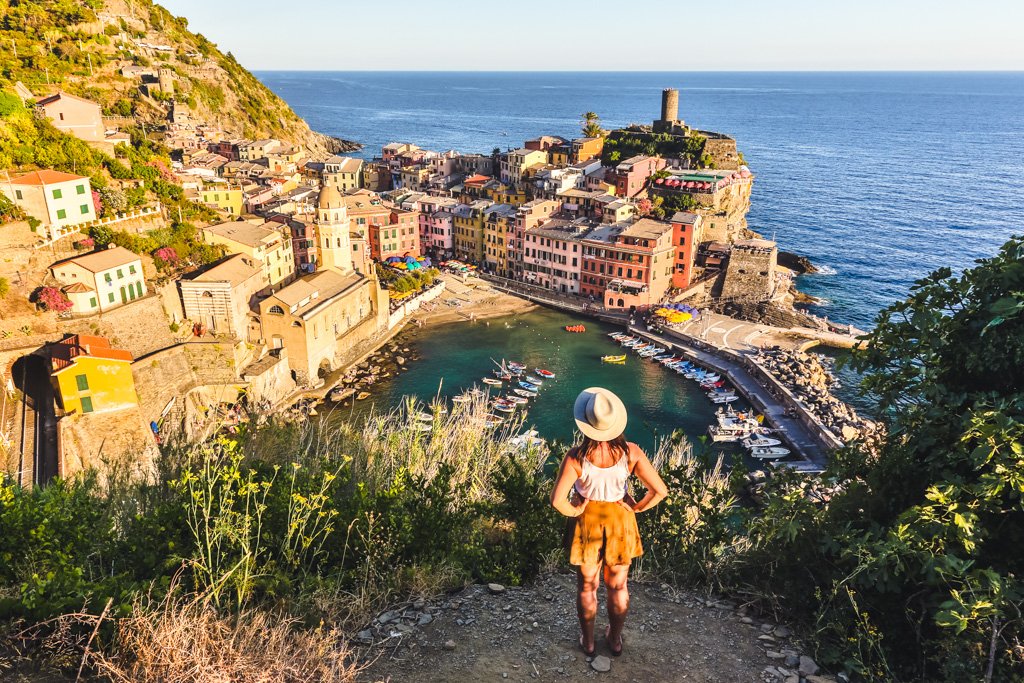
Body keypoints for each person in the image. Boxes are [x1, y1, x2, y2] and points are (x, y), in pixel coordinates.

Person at [550, 388, 668, 657]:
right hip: (619, 518)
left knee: (587, 586)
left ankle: (589, 642)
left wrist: (576, 511)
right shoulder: (631, 453)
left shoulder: (575, 457)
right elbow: (659, 491)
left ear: (586, 425)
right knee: (618, 586)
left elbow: (557, 501)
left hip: (587, 521)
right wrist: (635, 507)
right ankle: (615, 640)